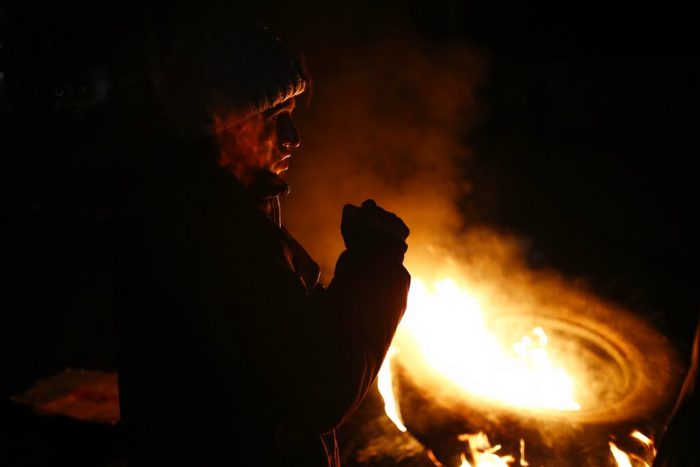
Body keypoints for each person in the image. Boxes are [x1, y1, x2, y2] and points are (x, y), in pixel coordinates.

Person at [113, 6, 411, 467]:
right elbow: (319, 388)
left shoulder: (208, 211)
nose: (292, 138)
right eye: (274, 116)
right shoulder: (214, 235)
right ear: (224, 129)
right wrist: (375, 266)